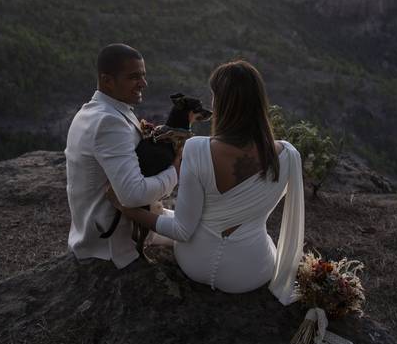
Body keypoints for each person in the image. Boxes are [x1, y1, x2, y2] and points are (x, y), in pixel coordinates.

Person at [109, 60, 304, 304]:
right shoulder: (288, 156)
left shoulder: (197, 149)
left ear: (222, 103)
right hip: (253, 271)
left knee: (174, 217)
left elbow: (182, 230)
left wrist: (126, 208)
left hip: (195, 263)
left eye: (214, 96)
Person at [65, 44, 179, 268]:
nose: (143, 84)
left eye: (143, 76)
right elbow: (133, 195)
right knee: (207, 234)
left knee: (205, 221)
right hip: (115, 239)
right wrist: (175, 170)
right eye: (134, 77)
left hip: (104, 226)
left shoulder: (93, 111)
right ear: (107, 80)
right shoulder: (109, 122)